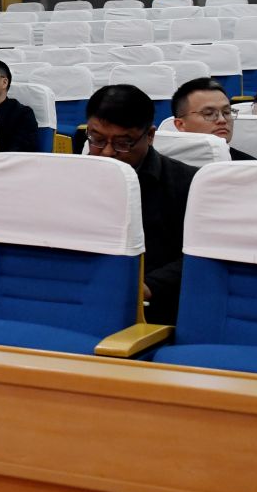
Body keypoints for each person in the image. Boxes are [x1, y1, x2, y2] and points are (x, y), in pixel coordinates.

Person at [84, 84, 197, 324]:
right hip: (81, 296)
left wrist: (150, 286)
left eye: (123, 143)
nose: (107, 152)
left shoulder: (188, 184)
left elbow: (199, 256)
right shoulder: (69, 178)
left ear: (150, 136)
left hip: (156, 308)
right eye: (97, 139)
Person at [172, 77, 252, 160]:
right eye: (209, 113)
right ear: (180, 124)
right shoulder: (166, 165)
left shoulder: (248, 165)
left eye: (227, 112)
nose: (222, 120)